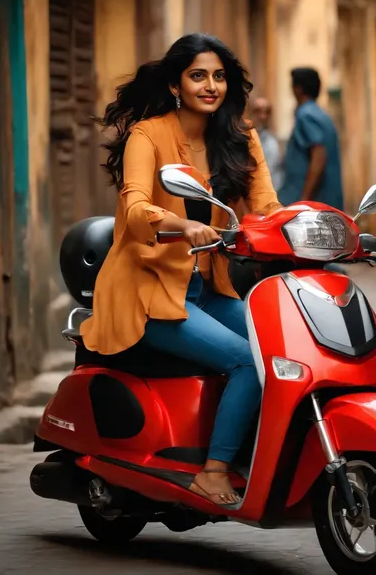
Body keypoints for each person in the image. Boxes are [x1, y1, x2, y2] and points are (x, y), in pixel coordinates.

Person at [80, 33, 281, 506]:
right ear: (176, 84)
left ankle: (255, 454)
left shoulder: (240, 136)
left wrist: (302, 229)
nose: (210, 86)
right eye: (198, 76)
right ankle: (212, 474)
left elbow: (266, 203)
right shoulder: (147, 135)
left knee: (282, 352)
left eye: (218, 76)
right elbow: (133, 206)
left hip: (209, 286)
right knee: (247, 362)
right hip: (148, 290)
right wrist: (177, 223)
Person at [279, 67, 344, 210]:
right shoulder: (321, 114)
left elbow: (319, 156)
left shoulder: (306, 115)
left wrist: (304, 199)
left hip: (313, 205)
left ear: (298, 89)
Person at [251, 97, 282, 189]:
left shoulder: (272, 141)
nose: (263, 116)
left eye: (267, 112)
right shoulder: (242, 139)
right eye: (258, 111)